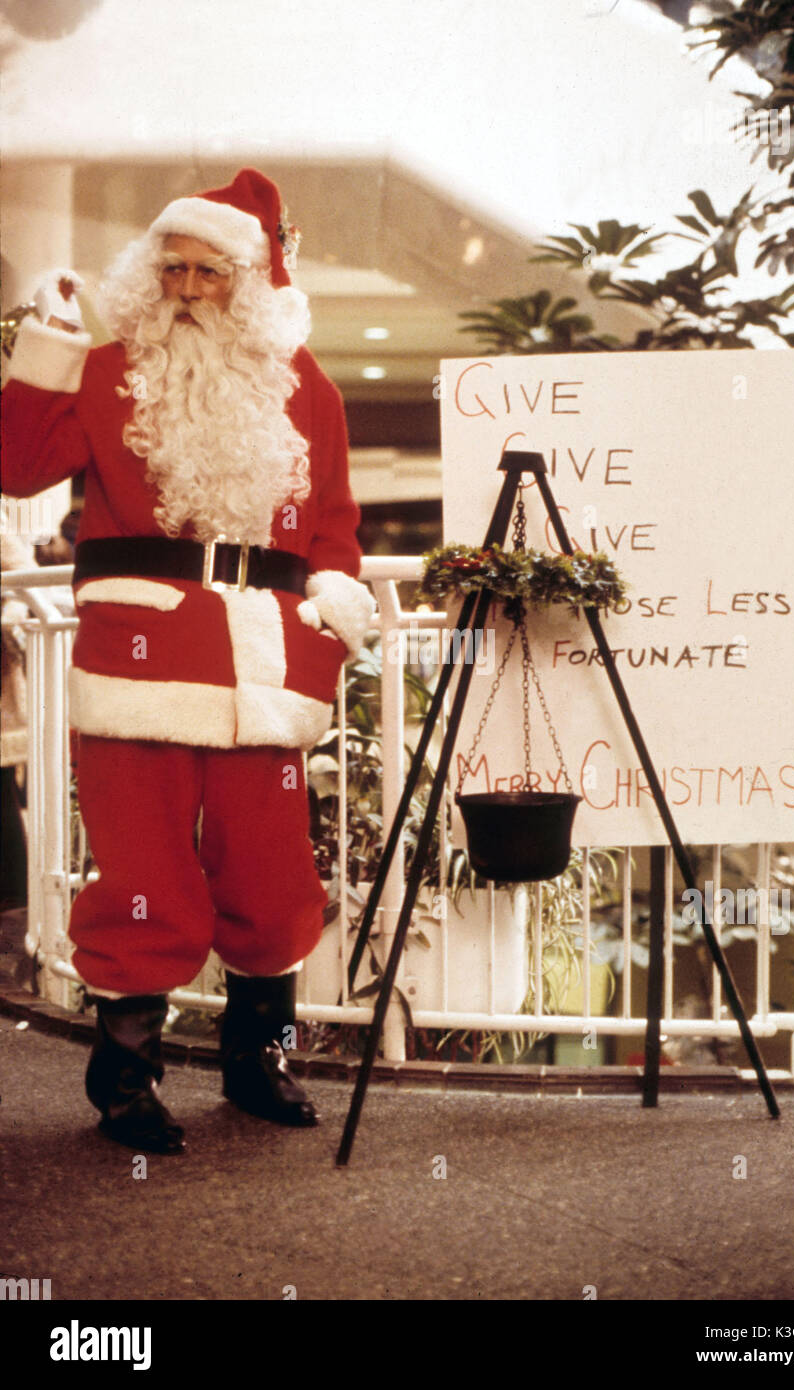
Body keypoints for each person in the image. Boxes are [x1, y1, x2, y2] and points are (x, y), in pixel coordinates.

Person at [1, 168, 375, 1155]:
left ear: (249, 284)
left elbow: (333, 526)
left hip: (267, 669)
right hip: (139, 655)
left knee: (272, 873)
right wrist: (48, 350)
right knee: (141, 876)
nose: (188, 288)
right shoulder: (105, 366)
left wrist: (333, 592)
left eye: (211, 272)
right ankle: (124, 1074)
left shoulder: (307, 387)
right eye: (172, 268)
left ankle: (260, 1059)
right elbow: (16, 466)